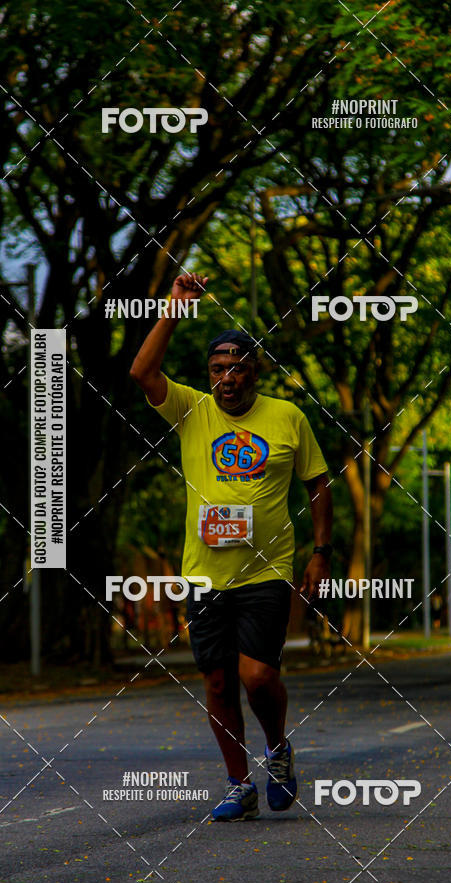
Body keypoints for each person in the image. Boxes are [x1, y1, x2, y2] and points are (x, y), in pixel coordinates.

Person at [130, 272, 333, 821]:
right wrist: (175, 307)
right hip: (204, 574)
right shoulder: (191, 410)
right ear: (210, 376)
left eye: (237, 367)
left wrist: (321, 552)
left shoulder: (287, 417)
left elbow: (318, 483)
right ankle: (239, 784)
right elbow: (142, 372)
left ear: (254, 371)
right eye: (218, 368)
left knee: (257, 676)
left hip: (267, 571)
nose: (227, 377)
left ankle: (278, 750)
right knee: (218, 682)